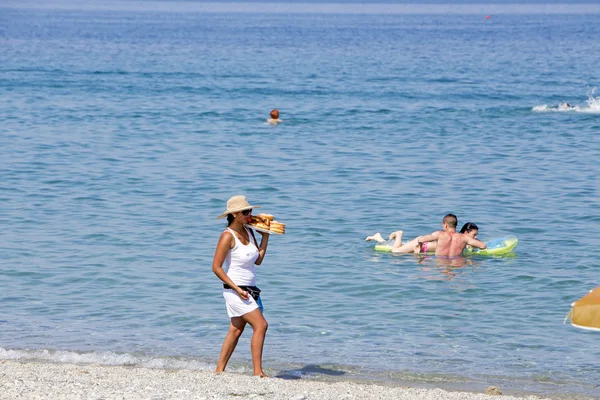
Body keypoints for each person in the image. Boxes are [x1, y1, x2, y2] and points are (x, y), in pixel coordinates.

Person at [212, 195, 270, 377]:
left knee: (236, 330)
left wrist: (265, 238)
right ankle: (258, 372)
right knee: (261, 325)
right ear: (235, 214)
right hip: (235, 289)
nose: (249, 215)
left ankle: (219, 370)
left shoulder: (250, 231)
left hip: (251, 289)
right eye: (246, 212)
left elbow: (258, 260)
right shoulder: (227, 236)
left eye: (250, 211)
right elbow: (216, 267)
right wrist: (237, 289)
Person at [365, 220, 483, 255]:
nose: (476, 237)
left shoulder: (463, 239)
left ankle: (378, 238)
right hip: (423, 245)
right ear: (466, 232)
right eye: (474, 235)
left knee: (396, 248)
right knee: (395, 251)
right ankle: (399, 234)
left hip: (425, 246)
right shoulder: (461, 239)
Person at [416, 214, 486, 257]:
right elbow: (483, 246)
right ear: (456, 225)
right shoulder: (464, 238)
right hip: (457, 263)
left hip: (441, 263)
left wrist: (420, 247)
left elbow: (421, 240)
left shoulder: (439, 234)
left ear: (445, 225)